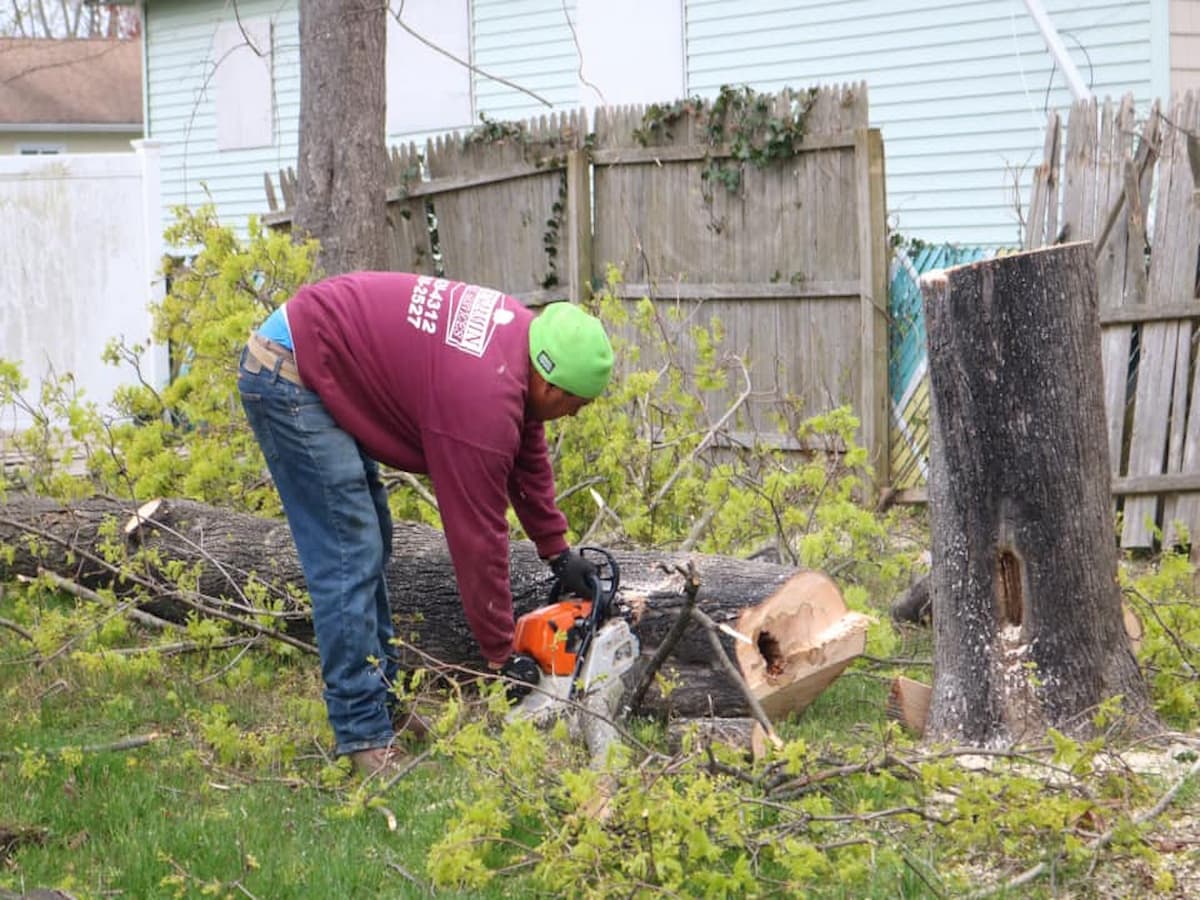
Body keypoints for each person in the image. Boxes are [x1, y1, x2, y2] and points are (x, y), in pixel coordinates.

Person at [236, 271, 613, 775]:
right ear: (547, 379)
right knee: (350, 552)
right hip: (289, 374)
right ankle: (362, 733)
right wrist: (501, 656)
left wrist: (556, 550)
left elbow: (526, 450)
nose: (571, 416)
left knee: (373, 540)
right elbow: (477, 538)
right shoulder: (481, 397)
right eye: (574, 404)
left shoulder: (520, 343)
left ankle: (382, 703)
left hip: (321, 356)